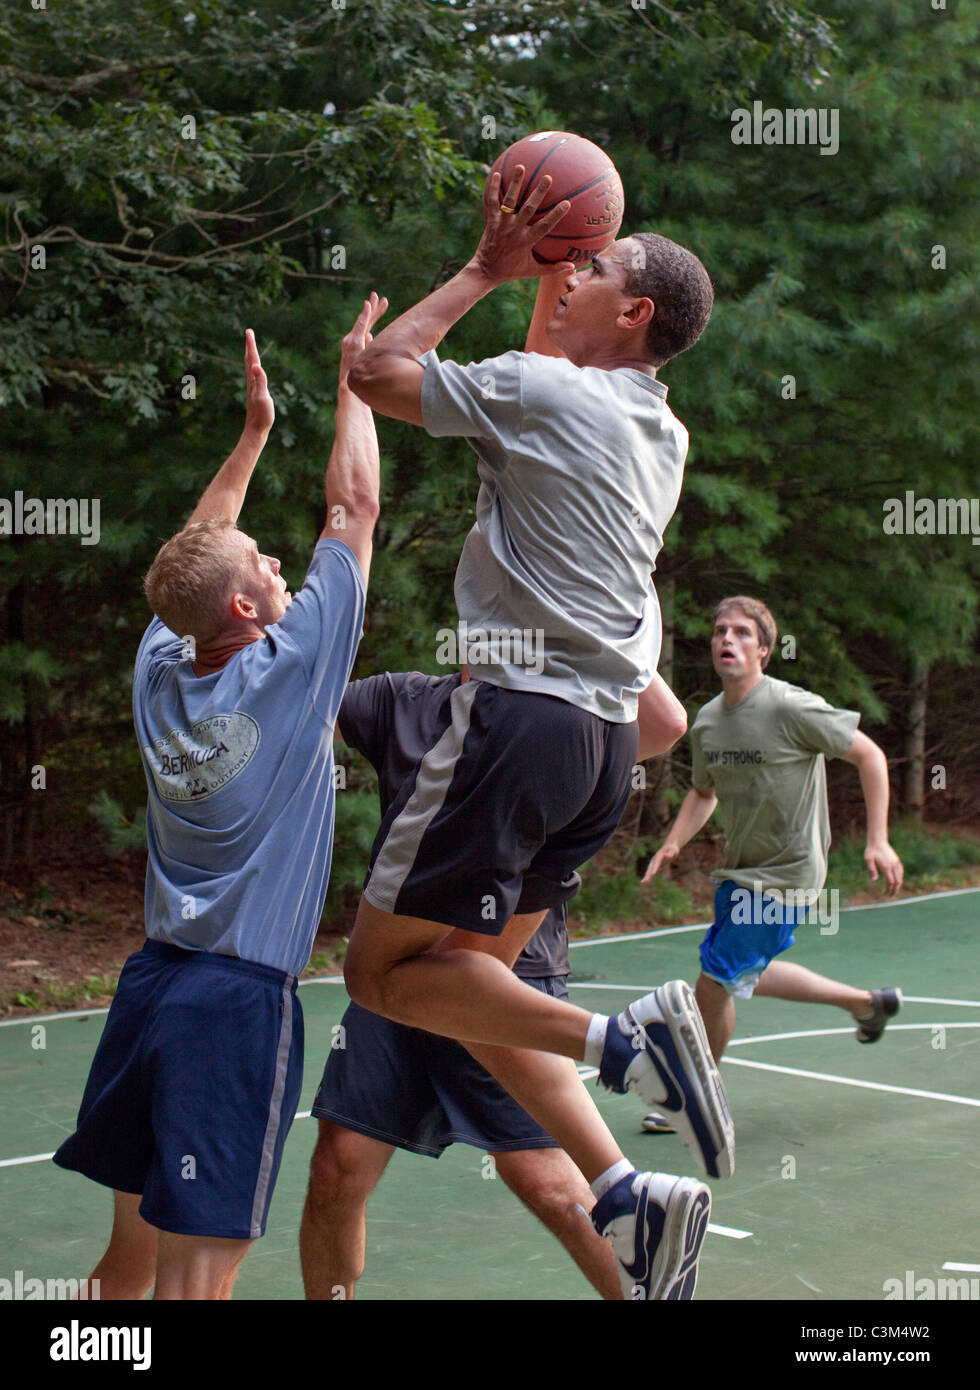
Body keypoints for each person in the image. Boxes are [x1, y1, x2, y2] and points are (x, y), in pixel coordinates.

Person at [342, 167, 729, 1300]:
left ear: (635, 312)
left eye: (593, 267)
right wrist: (545, 281)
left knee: (380, 976)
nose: (573, 273)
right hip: (603, 751)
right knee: (466, 991)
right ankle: (624, 1196)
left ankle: (628, 1043)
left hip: (514, 723)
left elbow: (372, 374)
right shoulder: (658, 427)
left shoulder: (546, 395)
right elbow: (545, 371)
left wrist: (481, 269)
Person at [52, 298, 386, 1300]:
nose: (281, 563)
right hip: (234, 1003)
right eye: (265, 566)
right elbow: (353, 509)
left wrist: (251, 435)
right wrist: (353, 381)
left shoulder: (163, 660)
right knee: (199, 1284)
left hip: (149, 988)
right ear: (245, 606)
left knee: (128, 1270)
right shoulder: (291, 671)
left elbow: (196, 551)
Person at [301, 668, 688, 1301]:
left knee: (550, 1185)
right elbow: (305, 682)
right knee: (336, 1169)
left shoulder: (562, 709)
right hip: (401, 967)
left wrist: (621, 599)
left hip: (503, 968)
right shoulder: (404, 699)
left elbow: (668, 723)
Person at [640, 595, 904, 1131]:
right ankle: (865, 1004)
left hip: (789, 873)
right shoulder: (709, 722)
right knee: (744, 973)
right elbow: (703, 793)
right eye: (719, 631)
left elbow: (870, 755)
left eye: (740, 632)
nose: (726, 640)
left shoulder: (790, 707)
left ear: (764, 649)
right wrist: (673, 841)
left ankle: (700, 1099)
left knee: (713, 981)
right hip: (742, 871)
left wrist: (878, 839)